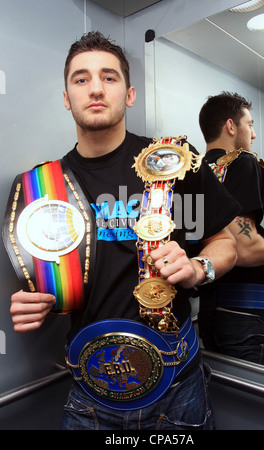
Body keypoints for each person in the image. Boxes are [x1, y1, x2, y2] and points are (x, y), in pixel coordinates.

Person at [3, 33, 240, 431]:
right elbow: (50, 282)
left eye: (108, 77)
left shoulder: (176, 161)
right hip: (89, 396)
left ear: (129, 94)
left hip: (177, 387)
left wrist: (199, 267)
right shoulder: (38, 188)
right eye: (81, 79)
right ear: (66, 97)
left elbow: (227, 245)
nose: (95, 88)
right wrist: (37, 303)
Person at [198, 91, 264, 371]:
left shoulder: (195, 172)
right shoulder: (242, 161)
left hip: (211, 313)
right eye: (250, 124)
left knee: (235, 403)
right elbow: (244, 249)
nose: (253, 134)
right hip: (248, 316)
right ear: (231, 126)